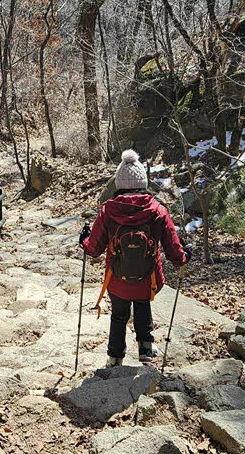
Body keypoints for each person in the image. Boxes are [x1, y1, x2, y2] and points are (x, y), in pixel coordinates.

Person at [79, 149, 191, 366]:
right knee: (142, 305)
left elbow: (93, 249)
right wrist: (184, 257)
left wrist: (83, 240)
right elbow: (173, 250)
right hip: (148, 279)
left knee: (119, 316)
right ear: (143, 182)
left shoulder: (107, 211)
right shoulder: (158, 210)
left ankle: (115, 357)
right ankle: (145, 348)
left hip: (116, 279)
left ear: (119, 184)